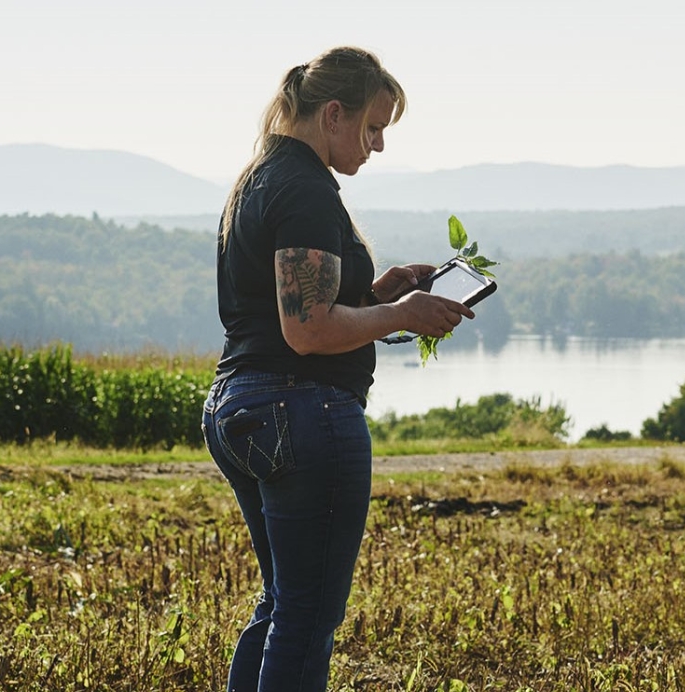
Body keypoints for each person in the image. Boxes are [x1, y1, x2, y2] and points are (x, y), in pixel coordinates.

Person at [201, 46, 473, 691]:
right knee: (308, 614)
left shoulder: (264, 175)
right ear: (332, 115)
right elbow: (310, 329)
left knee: (281, 605)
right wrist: (404, 313)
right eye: (373, 126)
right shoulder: (306, 191)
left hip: (240, 406)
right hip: (302, 413)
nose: (377, 146)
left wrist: (376, 295)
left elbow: (292, 312)